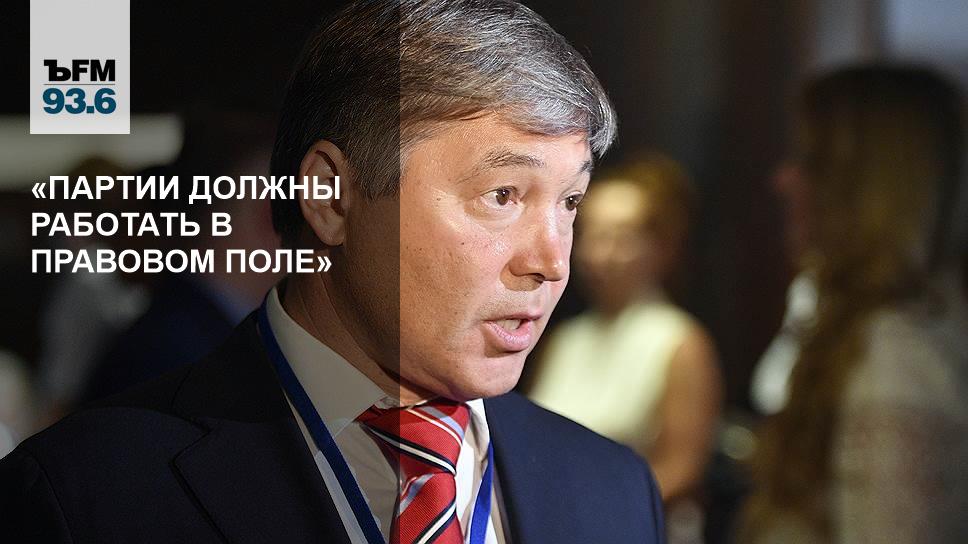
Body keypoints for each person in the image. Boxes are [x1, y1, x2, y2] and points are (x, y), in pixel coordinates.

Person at [0, 2, 666, 543]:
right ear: (331, 197)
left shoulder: (613, 491)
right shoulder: (85, 496)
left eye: (570, 202)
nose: (551, 262)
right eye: (503, 196)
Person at [741, 65, 968, 543]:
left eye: (811, 161)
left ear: (872, 189)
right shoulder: (870, 327)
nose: (784, 179)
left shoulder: (898, 356)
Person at [527, 155, 722, 509]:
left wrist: (607, 512)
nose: (600, 254)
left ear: (661, 247)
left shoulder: (678, 341)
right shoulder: (565, 338)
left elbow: (683, 467)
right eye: (591, 235)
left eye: (621, 238)